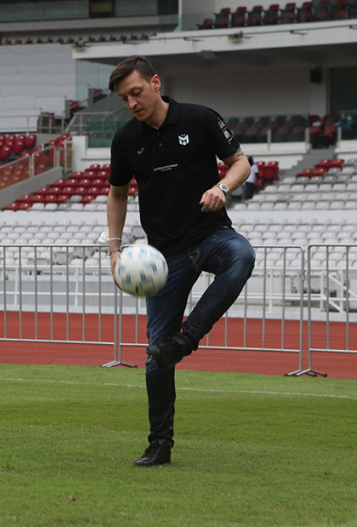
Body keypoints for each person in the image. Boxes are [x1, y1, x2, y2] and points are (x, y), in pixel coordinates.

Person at [106, 55, 256, 467]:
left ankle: (186, 340)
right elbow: (117, 195)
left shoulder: (199, 118)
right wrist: (115, 251)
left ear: (156, 83)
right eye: (125, 98)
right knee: (157, 353)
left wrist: (222, 188)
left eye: (137, 92)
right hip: (164, 255)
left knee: (242, 255)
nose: (132, 103)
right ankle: (159, 444)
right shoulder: (125, 139)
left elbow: (242, 163)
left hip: (210, 235)